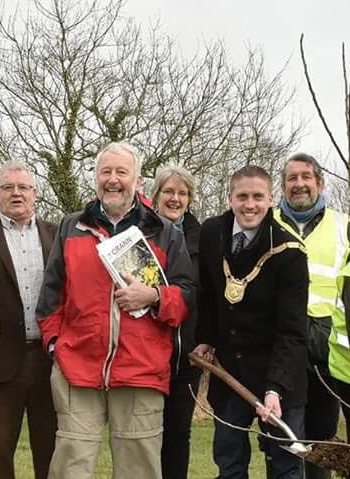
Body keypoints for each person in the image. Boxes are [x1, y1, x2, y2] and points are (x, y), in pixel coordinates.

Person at [37, 141, 196, 478]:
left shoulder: (164, 232)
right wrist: (55, 346)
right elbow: (51, 297)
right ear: (95, 178)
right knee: (69, 468)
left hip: (140, 370)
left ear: (137, 180)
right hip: (77, 369)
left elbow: (186, 297)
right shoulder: (71, 227)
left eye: (121, 172)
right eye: (105, 171)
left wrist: (154, 296)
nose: (112, 179)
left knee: (139, 470)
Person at [193, 166, 309, 478]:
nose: (250, 205)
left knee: (285, 466)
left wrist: (275, 388)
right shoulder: (212, 233)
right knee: (229, 462)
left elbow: (293, 331)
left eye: (258, 197)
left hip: (280, 373)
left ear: (271, 199)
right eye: (242, 196)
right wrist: (206, 339)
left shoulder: (290, 252)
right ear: (230, 198)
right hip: (230, 371)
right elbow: (208, 295)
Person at [272, 153, 350, 478]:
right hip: (280, 341)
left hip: (327, 342)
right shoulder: (267, 222)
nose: (299, 184)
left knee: (321, 435)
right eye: (292, 178)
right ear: (283, 186)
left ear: (320, 183)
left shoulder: (343, 226)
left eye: (306, 177)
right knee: (281, 436)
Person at [0, 163, 59, 479]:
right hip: (1, 360)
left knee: (52, 450)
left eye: (23, 187)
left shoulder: (57, 235)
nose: (16, 193)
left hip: (49, 358)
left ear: (35, 193)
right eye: (8, 187)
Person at [149, 163, 204, 479]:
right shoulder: (140, 233)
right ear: (156, 194)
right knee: (144, 437)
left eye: (182, 193)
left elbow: (209, 296)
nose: (175, 198)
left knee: (178, 435)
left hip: (186, 358)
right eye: (168, 191)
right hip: (145, 356)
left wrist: (206, 341)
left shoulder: (204, 238)